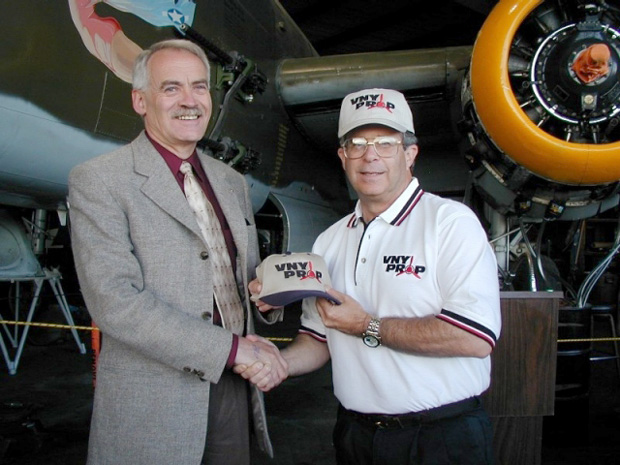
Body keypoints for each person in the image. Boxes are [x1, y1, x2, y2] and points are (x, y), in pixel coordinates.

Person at [240, 88, 502, 464]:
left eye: (385, 142)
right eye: (358, 143)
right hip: (356, 437)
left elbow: (475, 337)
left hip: (441, 438)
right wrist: (279, 363)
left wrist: (366, 325)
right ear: (343, 157)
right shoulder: (329, 240)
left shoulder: (450, 223)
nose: (370, 155)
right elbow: (319, 339)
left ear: (410, 153)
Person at [68, 39, 288, 465]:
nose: (190, 101)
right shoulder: (100, 181)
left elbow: (241, 279)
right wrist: (233, 349)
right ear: (140, 100)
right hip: (155, 398)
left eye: (200, 87)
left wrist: (268, 296)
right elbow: (114, 302)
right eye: (171, 88)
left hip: (232, 388)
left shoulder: (231, 182)